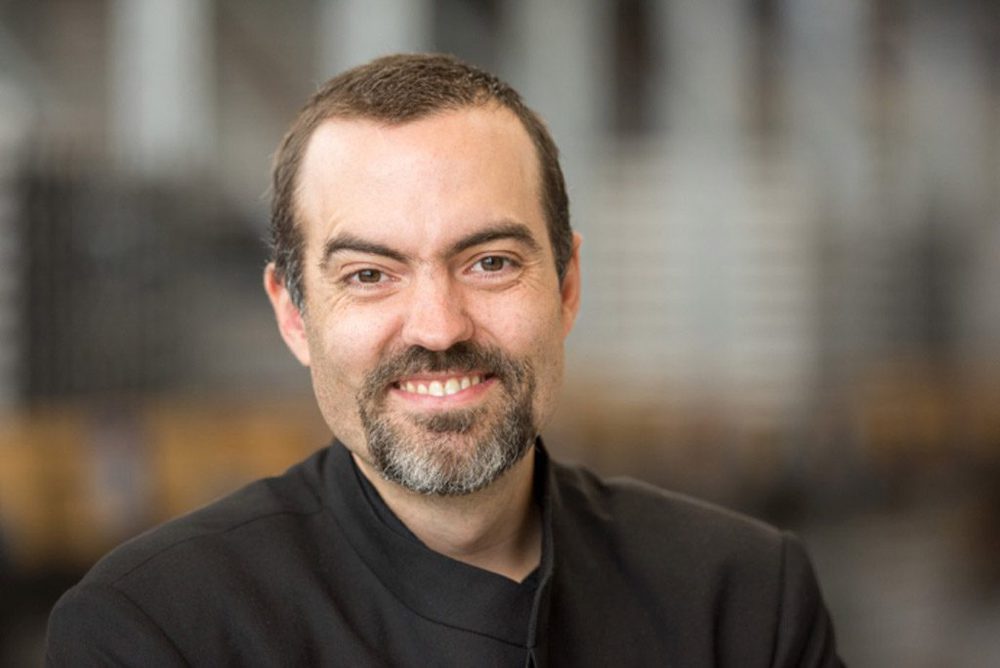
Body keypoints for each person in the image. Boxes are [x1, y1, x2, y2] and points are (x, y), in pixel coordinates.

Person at [46, 53, 842, 666]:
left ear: (568, 285)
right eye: (369, 275)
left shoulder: (743, 599)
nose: (437, 326)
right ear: (293, 313)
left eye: (489, 262)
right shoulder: (153, 630)